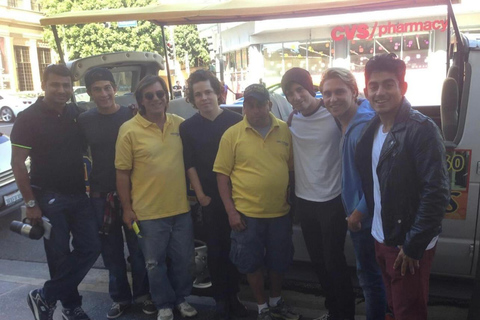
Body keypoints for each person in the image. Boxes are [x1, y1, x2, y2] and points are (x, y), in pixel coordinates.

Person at [355, 53, 450, 320]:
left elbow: (437, 193)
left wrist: (413, 245)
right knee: (394, 307)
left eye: (388, 84)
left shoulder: (421, 129)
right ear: (365, 91)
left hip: (406, 244)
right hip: (381, 236)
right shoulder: (372, 128)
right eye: (373, 86)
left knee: (409, 311)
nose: (380, 92)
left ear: (403, 88)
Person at [10, 64, 101, 320]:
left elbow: (102, 124)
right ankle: (71, 307)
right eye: (55, 85)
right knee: (59, 257)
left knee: (91, 247)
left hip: (78, 195)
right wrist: (30, 203)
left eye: (66, 85)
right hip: (48, 197)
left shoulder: (77, 113)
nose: (62, 90)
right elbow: (17, 163)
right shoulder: (28, 117)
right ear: (43, 85)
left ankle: (46, 296)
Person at [214, 84, 299, 320]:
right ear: (244, 107)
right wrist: (231, 212)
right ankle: (262, 307)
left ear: (269, 105)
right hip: (246, 215)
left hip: (280, 213)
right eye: (250, 105)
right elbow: (222, 177)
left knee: (279, 261)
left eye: (260, 104)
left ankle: (276, 301)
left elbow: (291, 170)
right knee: (251, 263)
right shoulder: (232, 135)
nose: (256, 110)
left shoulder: (284, 131)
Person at [115, 75, 197, 320]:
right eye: (149, 96)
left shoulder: (179, 125)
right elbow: (122, 174)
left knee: (185, 261)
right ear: (140, 100)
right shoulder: (128, 130)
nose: (156, 99)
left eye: (160, 94)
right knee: (154, 263)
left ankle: (181, 299)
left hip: (180, 209)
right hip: (147, 213)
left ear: (166, 96)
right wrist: (126, 209)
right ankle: (162, 303)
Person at [78, 68, 154, 319]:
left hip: (134, 194)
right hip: (101, 197)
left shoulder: (131, 114)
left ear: (115, 88)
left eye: (107, 87)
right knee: (111, 252)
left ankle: (144, 296)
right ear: (90, 93)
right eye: (97, 89)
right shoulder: (85, 120)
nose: (104, 93)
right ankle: (120, 298)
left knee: (139, 248)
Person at [281, 67, 355, 320]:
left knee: (334, 261)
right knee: (318, 263)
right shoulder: (292, 120)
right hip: (305, 201)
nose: (296, 96)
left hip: (332, 200)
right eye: (289, 93)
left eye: (299, 89)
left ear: (310, 88)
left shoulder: (333, 113)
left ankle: (344, 313)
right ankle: (332, 308)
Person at [319, 67, 387, 320]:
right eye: (326, 94)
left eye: (339, 92)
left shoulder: (363, 129)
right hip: (366, 217)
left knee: (371, 280)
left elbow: (378, 180)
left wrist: (357, 213)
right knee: (375, 278)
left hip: (366, 219)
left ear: (355, 92)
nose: (332, 99)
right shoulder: (353, 121)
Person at [179, 69, 246, 320]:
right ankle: (221, 299)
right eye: (198, 94)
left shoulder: (236, 120)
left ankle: (235, 295)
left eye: (208, 91)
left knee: (236, 249)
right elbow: (190, 164)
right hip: (209, 198)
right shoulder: (188, 127)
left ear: (218, 92)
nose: (204, 97)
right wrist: (201, 197)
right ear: (192, 99)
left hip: (237, 196)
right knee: (216, 251)